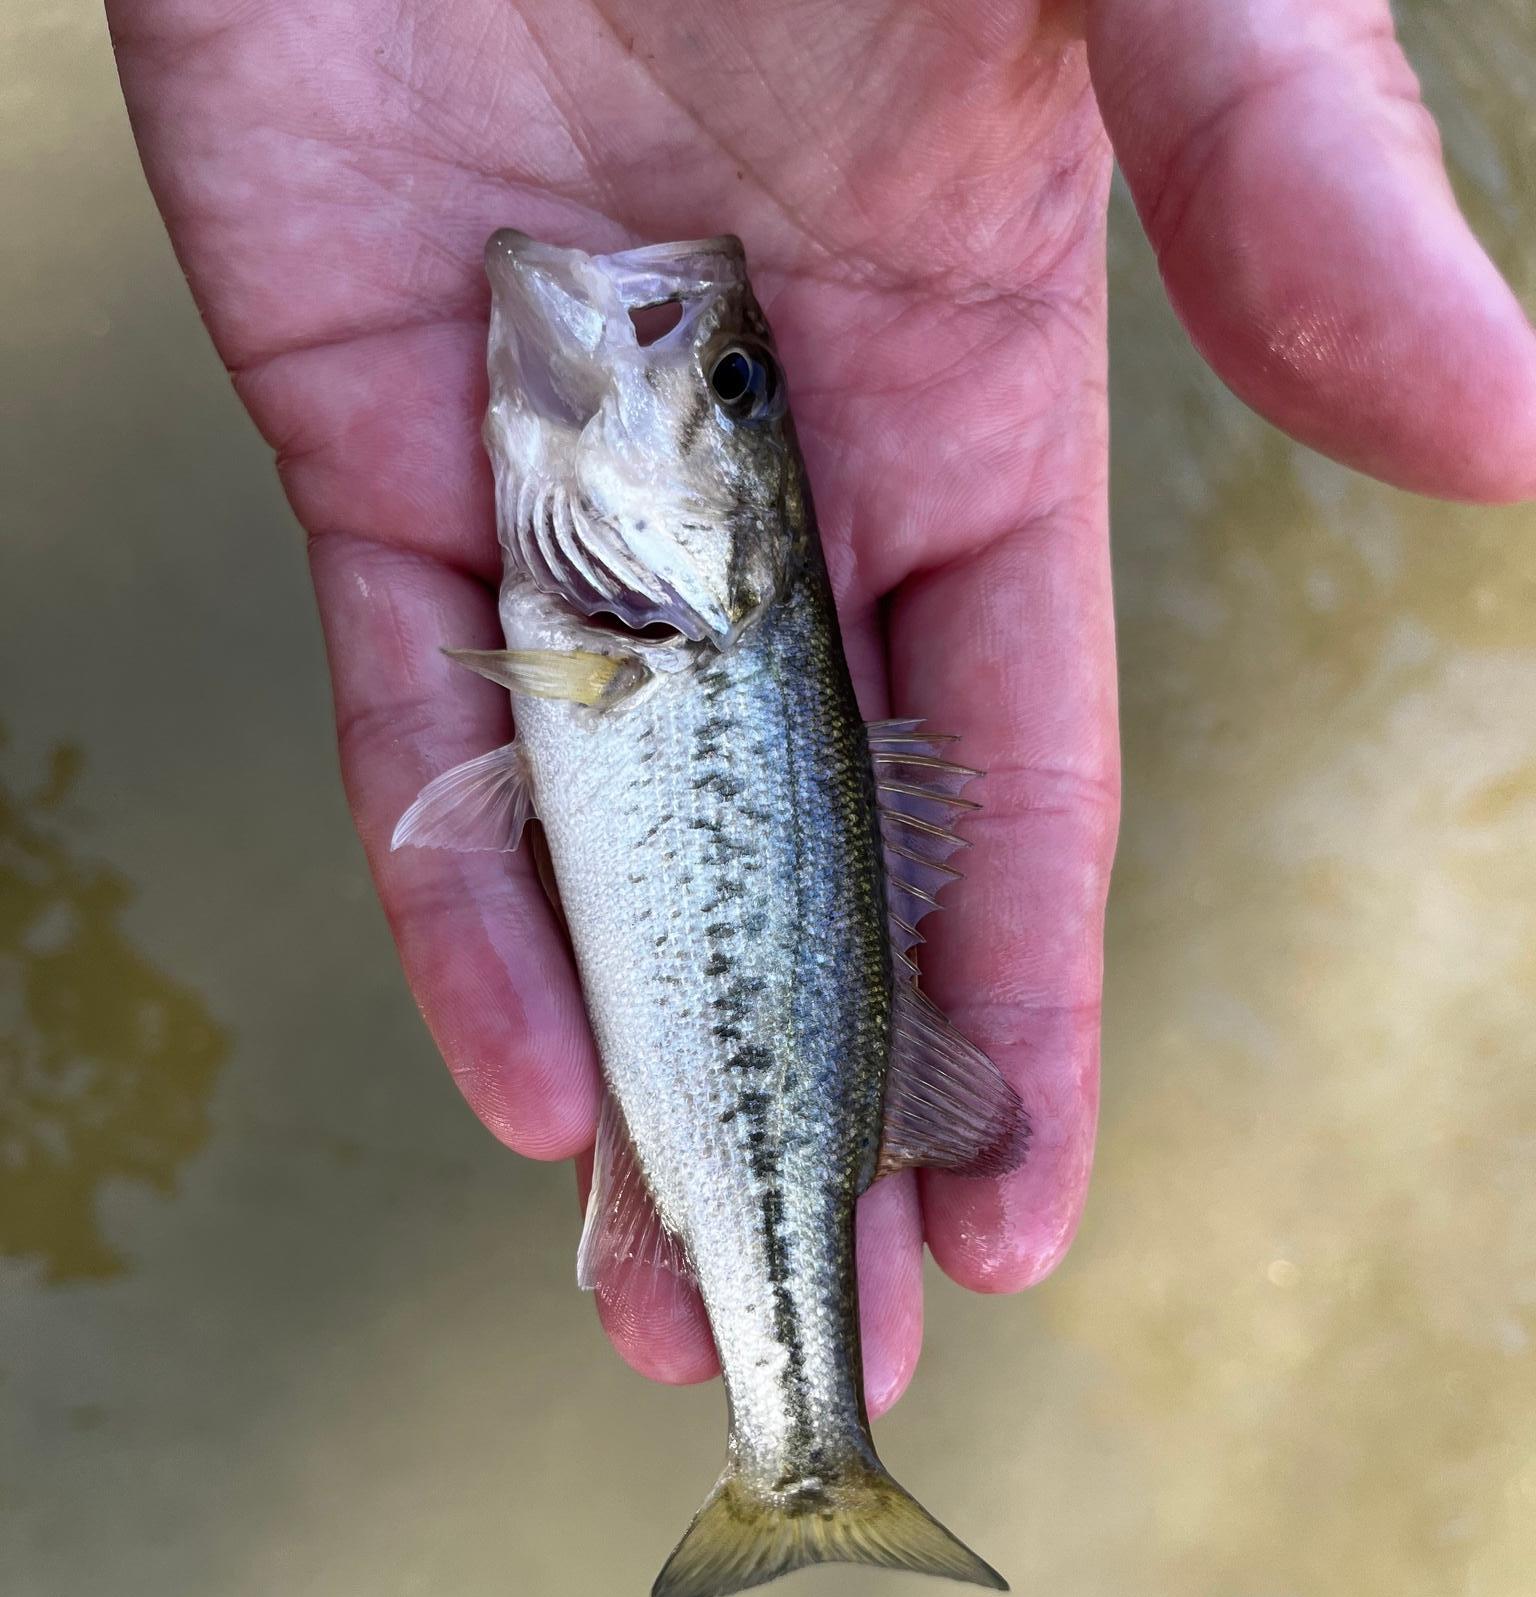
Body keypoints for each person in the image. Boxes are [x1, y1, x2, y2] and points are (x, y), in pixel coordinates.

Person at [108, 0, 1536, 1412]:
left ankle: (800, 1448)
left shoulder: (628, 610)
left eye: (725, 382)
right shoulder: (631, 607)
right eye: (739, 386)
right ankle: (806, 1433)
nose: (696, 360)